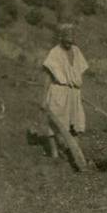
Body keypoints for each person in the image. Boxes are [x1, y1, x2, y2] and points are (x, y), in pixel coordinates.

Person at [39, 23, 89, 171]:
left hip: (73, 93)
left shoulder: (76, 51)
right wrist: (43, 98)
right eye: (66, 39)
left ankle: (75, 152)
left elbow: (80, 70)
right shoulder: (54, 53)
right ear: (61, 38)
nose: (69, 43)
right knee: (55, 122)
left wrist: (76, 86)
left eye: (71, 40)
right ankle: (54, 153)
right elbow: (48, 76)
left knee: (76, 122)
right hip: (58, 91)